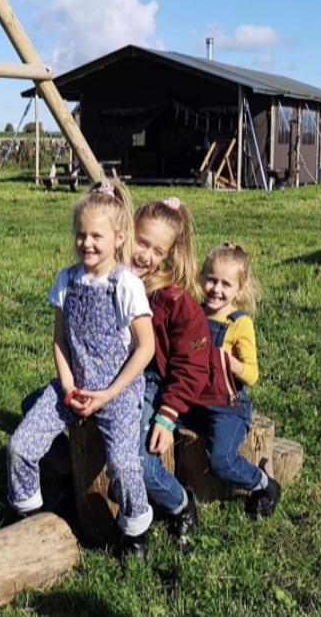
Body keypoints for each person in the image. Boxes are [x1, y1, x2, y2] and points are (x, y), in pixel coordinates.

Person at [8, 180, 156, 557]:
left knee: (123, 465)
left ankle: (135, 530)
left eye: (96, 236)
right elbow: (60, 340)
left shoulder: (126, 285)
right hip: (72, 385)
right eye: (80, 235)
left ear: (119, 238)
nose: (87, 244)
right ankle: (32, 515)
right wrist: (68, 384)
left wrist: (108, 393)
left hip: (116, 390)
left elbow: (145, 348)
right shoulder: (66, 280)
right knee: (20, 446)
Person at [129, 197, 224, 542]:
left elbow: (192, 365)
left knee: (142, 463)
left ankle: (179, 504)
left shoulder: (175, 300)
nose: (145, 256)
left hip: (156, 383)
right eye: (141, 242)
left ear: (169, 255)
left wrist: (168, 416)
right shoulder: (117, 279)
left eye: (157, 251)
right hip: (115, 376)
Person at [197, 242, 280, 517]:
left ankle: (263, 482)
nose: (216, 289)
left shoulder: (239, 323)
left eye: (225, 284)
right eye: (211, 280)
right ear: (202, 278)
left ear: (239, 289)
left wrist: (228, 361)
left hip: (227, 406)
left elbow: (252, 374)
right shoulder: (196, 314)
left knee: (220, 460)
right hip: (194, 400)